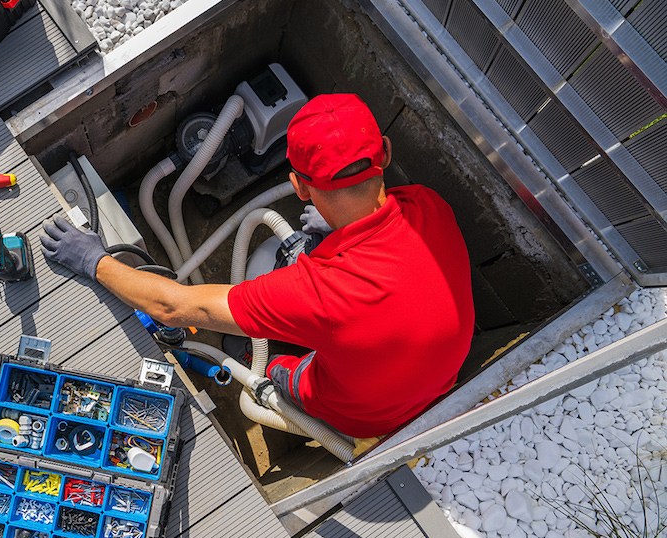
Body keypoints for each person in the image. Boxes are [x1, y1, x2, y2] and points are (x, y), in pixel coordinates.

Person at [40, 93, 474, 439]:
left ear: (300, 187)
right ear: (385, 153)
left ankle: (249, 356)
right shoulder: (427, 205)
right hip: (439, 381)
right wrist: (335, 227)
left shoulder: (318, 293)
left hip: (363, 417)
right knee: (298, 258)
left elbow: (173, 308)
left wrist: (94, 260)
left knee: (274, 311)